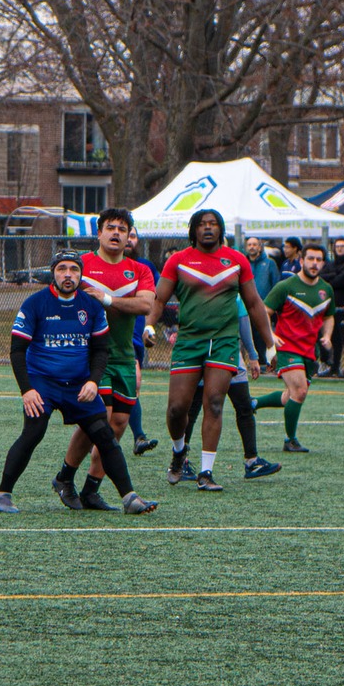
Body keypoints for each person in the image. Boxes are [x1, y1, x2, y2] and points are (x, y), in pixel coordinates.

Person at [0, 248, 155, 516]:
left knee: (104, 434)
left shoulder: (91, 306)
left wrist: (92, 381)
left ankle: (130, 498)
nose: (68, 275)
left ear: (81, 274)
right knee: (33, 432)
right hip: (43, 383)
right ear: (53, 273)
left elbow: (102, 350)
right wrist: (27, 390)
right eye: (62, 269)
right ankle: (2, 495)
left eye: (74, 269)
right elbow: (17, 351)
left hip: (78, 384)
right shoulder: (35, 304)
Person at [147, 207, 273, 491]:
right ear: (193, 230)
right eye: (202, 224)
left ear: (221, 230)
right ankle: (179, 452)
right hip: (189, 340)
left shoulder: (237, 260)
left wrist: (269, 344)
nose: (208, 228)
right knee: (177, 408)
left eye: (213, 224)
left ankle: (206, 472)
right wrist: (149, 325)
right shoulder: (179, 260)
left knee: (214, 402)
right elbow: (159, 298)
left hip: (224, 341)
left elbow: (253, 304)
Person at [54, 207, 159, 510]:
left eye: (122, 229)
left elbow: (145, 305)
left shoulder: (139, 270)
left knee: (119, 423)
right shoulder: (81, 265)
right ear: (98, 233)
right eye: (110, 227)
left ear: (129, 237)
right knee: (97, 420)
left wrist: (108, 299)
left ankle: (89, 489)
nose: (116, 233)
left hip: (125, 355)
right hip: (90, 357)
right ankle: (65, 477)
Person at [250, 241, 335, 453]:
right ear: (301, 260)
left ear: (323, 263)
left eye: (318, 260)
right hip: (287, 349)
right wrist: (271, 335)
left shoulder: (326, 290)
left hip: (309, 351)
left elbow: (330, 316)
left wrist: (327, 335)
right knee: (300, 391)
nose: (314, 263)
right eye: (310, 259)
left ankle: (253, 403)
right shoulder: (286, 287)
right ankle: (290, 440)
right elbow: (264, 312)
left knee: (290, 396)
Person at [181, 300, 282, 479]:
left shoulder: (231, 290)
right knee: (197, 408)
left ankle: (252, 461)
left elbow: (243, 319)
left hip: (223, 353)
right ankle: (181, 460)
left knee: (242, 406)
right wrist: (252, 355)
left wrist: (252, 355)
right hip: (210, 353)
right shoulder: (210, 287)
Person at [124, 227, 159, 458]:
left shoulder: (145, 268)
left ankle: (138, 437)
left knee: (133, 385)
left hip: (133, 340)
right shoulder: (93, 265)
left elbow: (156, 299)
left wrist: (149, 326)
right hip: (100, 339)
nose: (127, 239)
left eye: (132, 235)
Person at [321, 238, 344, 373]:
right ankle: (334, 367)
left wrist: (331, 278)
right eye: (337, 246)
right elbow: (321, 277)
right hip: (331, 307)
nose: (339, 249)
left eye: (342, 246)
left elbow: (341, 280)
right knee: (334, 338)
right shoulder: (331, 264)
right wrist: (333, 275)